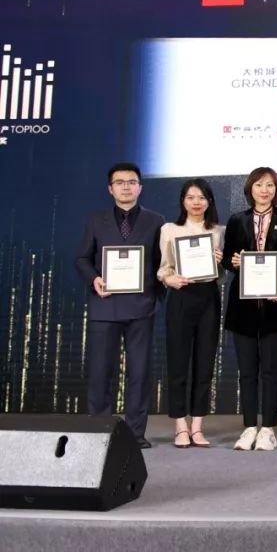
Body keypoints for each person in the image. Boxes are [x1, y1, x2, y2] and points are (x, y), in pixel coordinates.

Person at [74, 162, 164, 449]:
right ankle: (99, 432)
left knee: (139, 373)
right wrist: (95, 279)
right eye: (120, 182)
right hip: (105, 306)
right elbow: (82, 258)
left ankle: (135, 434)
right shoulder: (95, 220)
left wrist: (158, 291)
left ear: (140, 187)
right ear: (110, 188)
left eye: (131, 182)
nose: (126, 187)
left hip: (141, 307)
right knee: (101, 373)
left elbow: (163, 263)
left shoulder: (156, 221)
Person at [222, 167, 277, 452]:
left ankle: (268, 428)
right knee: (247, 371)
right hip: (243, 304)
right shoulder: (236, 220)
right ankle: (249, 426)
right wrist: (234, 262)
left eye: (269, 185)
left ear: (276, 190)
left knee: (271, 370)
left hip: (274, 303)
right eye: (259, 185)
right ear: (250, 189)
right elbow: (227, 260)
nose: (264, 190)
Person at [158, 178, 225, 448]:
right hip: (181, 296)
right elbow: (163, 268)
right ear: (183, 201)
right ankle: (180, 426)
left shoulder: (219, 231)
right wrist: (168, 279)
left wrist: (220, 262)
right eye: (190, 197)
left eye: (201, 197)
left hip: (208, 297)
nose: (196, 202)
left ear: (209, 201)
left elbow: (222, 273)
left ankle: (197, 426)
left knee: (204, 363)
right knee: (178, 363)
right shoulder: (169, 229)